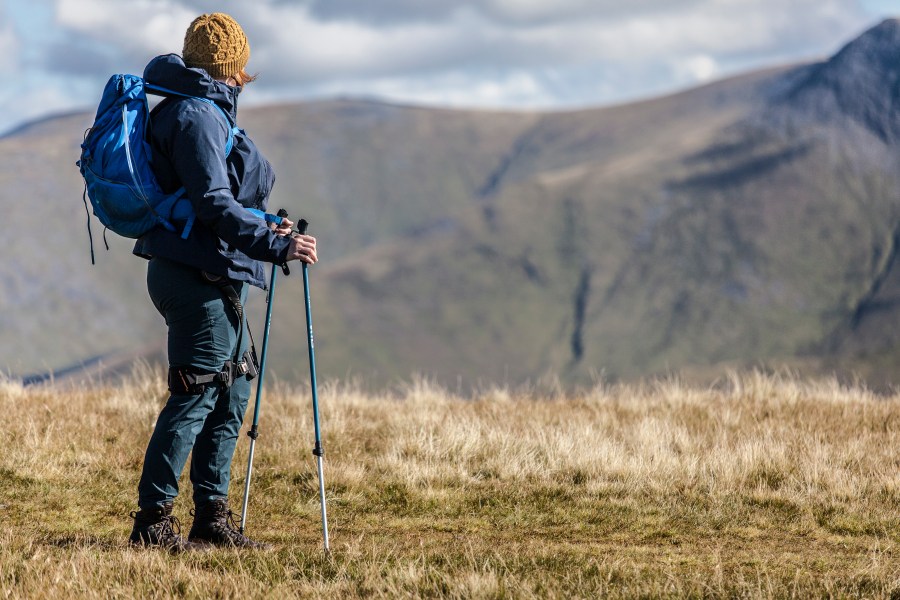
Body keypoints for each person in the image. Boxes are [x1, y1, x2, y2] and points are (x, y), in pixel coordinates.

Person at [127, 13, 317, 552]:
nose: (242, 78)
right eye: (240, 68)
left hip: (207, 272)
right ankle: (153, 527)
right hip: (193, 277)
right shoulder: (196, 116)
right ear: (232, 65)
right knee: (196, 395)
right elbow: (212, 203)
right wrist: (277, 244)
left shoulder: (197, 111)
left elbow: (218, 202)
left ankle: (212, 520)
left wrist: (263, 227)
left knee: (231, 391)